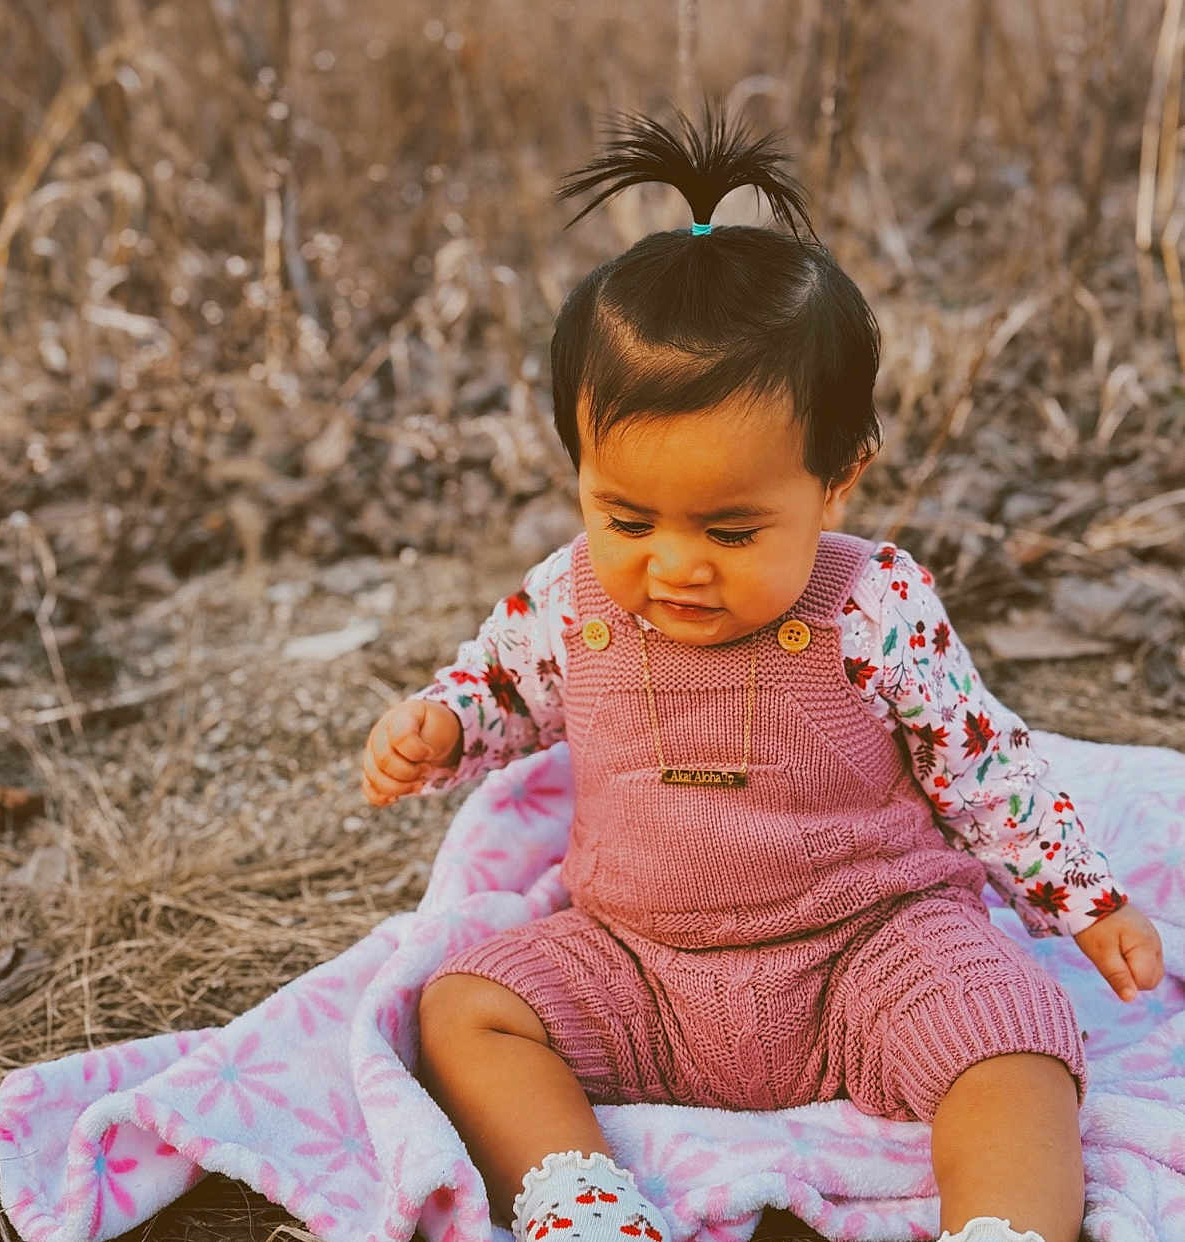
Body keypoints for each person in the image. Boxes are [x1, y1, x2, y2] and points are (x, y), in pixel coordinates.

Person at [360, 102, 1164, 1242]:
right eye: (627, 515)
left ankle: (1005, 1228)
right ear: (579, 470)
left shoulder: (871, 605)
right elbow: (499, 690)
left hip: (868, 951)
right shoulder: (567, 598)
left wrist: (1082, 898)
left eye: (732, 531)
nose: (674, 566)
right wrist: (439, 728)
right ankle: (579, 1202)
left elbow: (984, 763)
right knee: (464, 1009)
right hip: (643, 960)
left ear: (837, 480)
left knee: (1013, 1033)